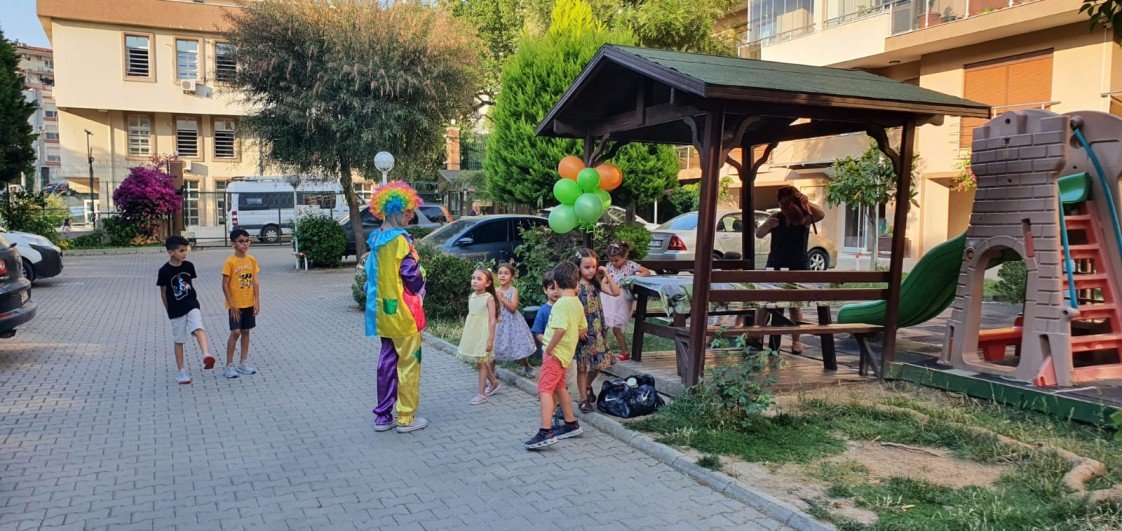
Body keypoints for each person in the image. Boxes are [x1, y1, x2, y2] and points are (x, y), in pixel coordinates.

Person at [365, 181, 429, 433]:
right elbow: (411, 276)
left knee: (387, 363)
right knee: (409, 363)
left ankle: (383, 416)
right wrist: (422, 278)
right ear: (394, 211)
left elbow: (371, 278)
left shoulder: (376, 240)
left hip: (384, 313)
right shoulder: (401, 241)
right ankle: (405, 417)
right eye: (407, 212)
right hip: (405, 312)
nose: (409, 217)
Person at [754, 185, 826, 354]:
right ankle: (757, 335)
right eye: (781, 204)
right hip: (775, 263)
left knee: (794, 305)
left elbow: (821, 214)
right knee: (765, 302)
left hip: (797, 265)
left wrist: (806, 202)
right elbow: (759, 233)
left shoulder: (804, 217)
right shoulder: (776, 217)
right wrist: (768, 225)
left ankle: (796, 340)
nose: (784, 208)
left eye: (787, 204)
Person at [524, 261, 586, 450]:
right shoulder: (576, 303)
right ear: (576, 282)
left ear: (557, 284)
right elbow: (583, 328)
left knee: (544, 389)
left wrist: (549, 349)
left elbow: (560, 329)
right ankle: (571, 424)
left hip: (555, 354)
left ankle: (545, 431)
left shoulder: (560, 305)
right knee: (560, 388)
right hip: (566, 354)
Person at [157, 235, 215, 384]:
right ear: (171, 252)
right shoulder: (164, 271)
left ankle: (206, 354)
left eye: (186, 250)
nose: (185, 253)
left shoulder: (189, 266)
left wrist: (194, 299)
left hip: (191, 304)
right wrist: (169, 311)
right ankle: (181, 372)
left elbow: (190, 284)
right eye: (181, 251)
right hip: (176, 309)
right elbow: (163, 293)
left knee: (198, 327)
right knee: (179, 340)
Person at [574, 248, 622, 413]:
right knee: (582, 366)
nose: (591, 270)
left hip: (597, 330)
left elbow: (616, 292)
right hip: (582, 331)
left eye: (593, 267)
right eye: (586, 267)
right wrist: (578, 329)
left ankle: (587, 386)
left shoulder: (596, 283)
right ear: (578, 267)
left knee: (600, 362)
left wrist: (606, 273)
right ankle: (583, 399)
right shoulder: (575, 287)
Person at [600, 242, 651, 362]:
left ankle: (625, 351)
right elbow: (604, 281)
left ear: (625, 256)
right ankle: (602, 351)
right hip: (608, 298)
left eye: (617, 260)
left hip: (621, 300)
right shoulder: (609, 266)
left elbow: (646, 272)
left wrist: (632, 279)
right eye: (611, 260)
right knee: (603, 326)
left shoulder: (630, 265)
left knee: (616, 329)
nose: (614, 263)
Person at [221, 229, 260, 378]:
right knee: (235, 332)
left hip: (248, 302)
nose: (245, 244)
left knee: (246, 331)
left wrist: (257, 301)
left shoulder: (251, 260)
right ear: (233, 244)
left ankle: (243, 362)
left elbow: (255, 282)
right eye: (241, 241)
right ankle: (229, 365)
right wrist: (232, 305)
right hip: (235, 305)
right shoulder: (230, 261)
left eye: (247, 241)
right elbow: (225, 285)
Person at [458, 268, 500, 404]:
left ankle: (481, 394)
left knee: (481, 363)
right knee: (479, 361)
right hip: (474, 334)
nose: (474, 281)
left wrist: (490, 339)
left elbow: (492, 320)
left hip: (484, 334)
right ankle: (494, 382)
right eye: (473, 278)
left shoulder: (489, 298)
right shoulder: (472, 296)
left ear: (487, 283)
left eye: (479, 279)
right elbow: (472, 317)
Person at [492, 262, 537, 378]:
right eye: (500, 273)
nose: (502, 275)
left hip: (513, 323)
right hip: (499, 323)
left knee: (519, 344)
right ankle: (491, 376)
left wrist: (502, 299)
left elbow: (513, 308)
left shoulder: (513, 290)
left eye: (506, 273)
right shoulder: (494, 291)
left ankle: (526, 365)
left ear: (512, 277)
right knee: (494, 347)